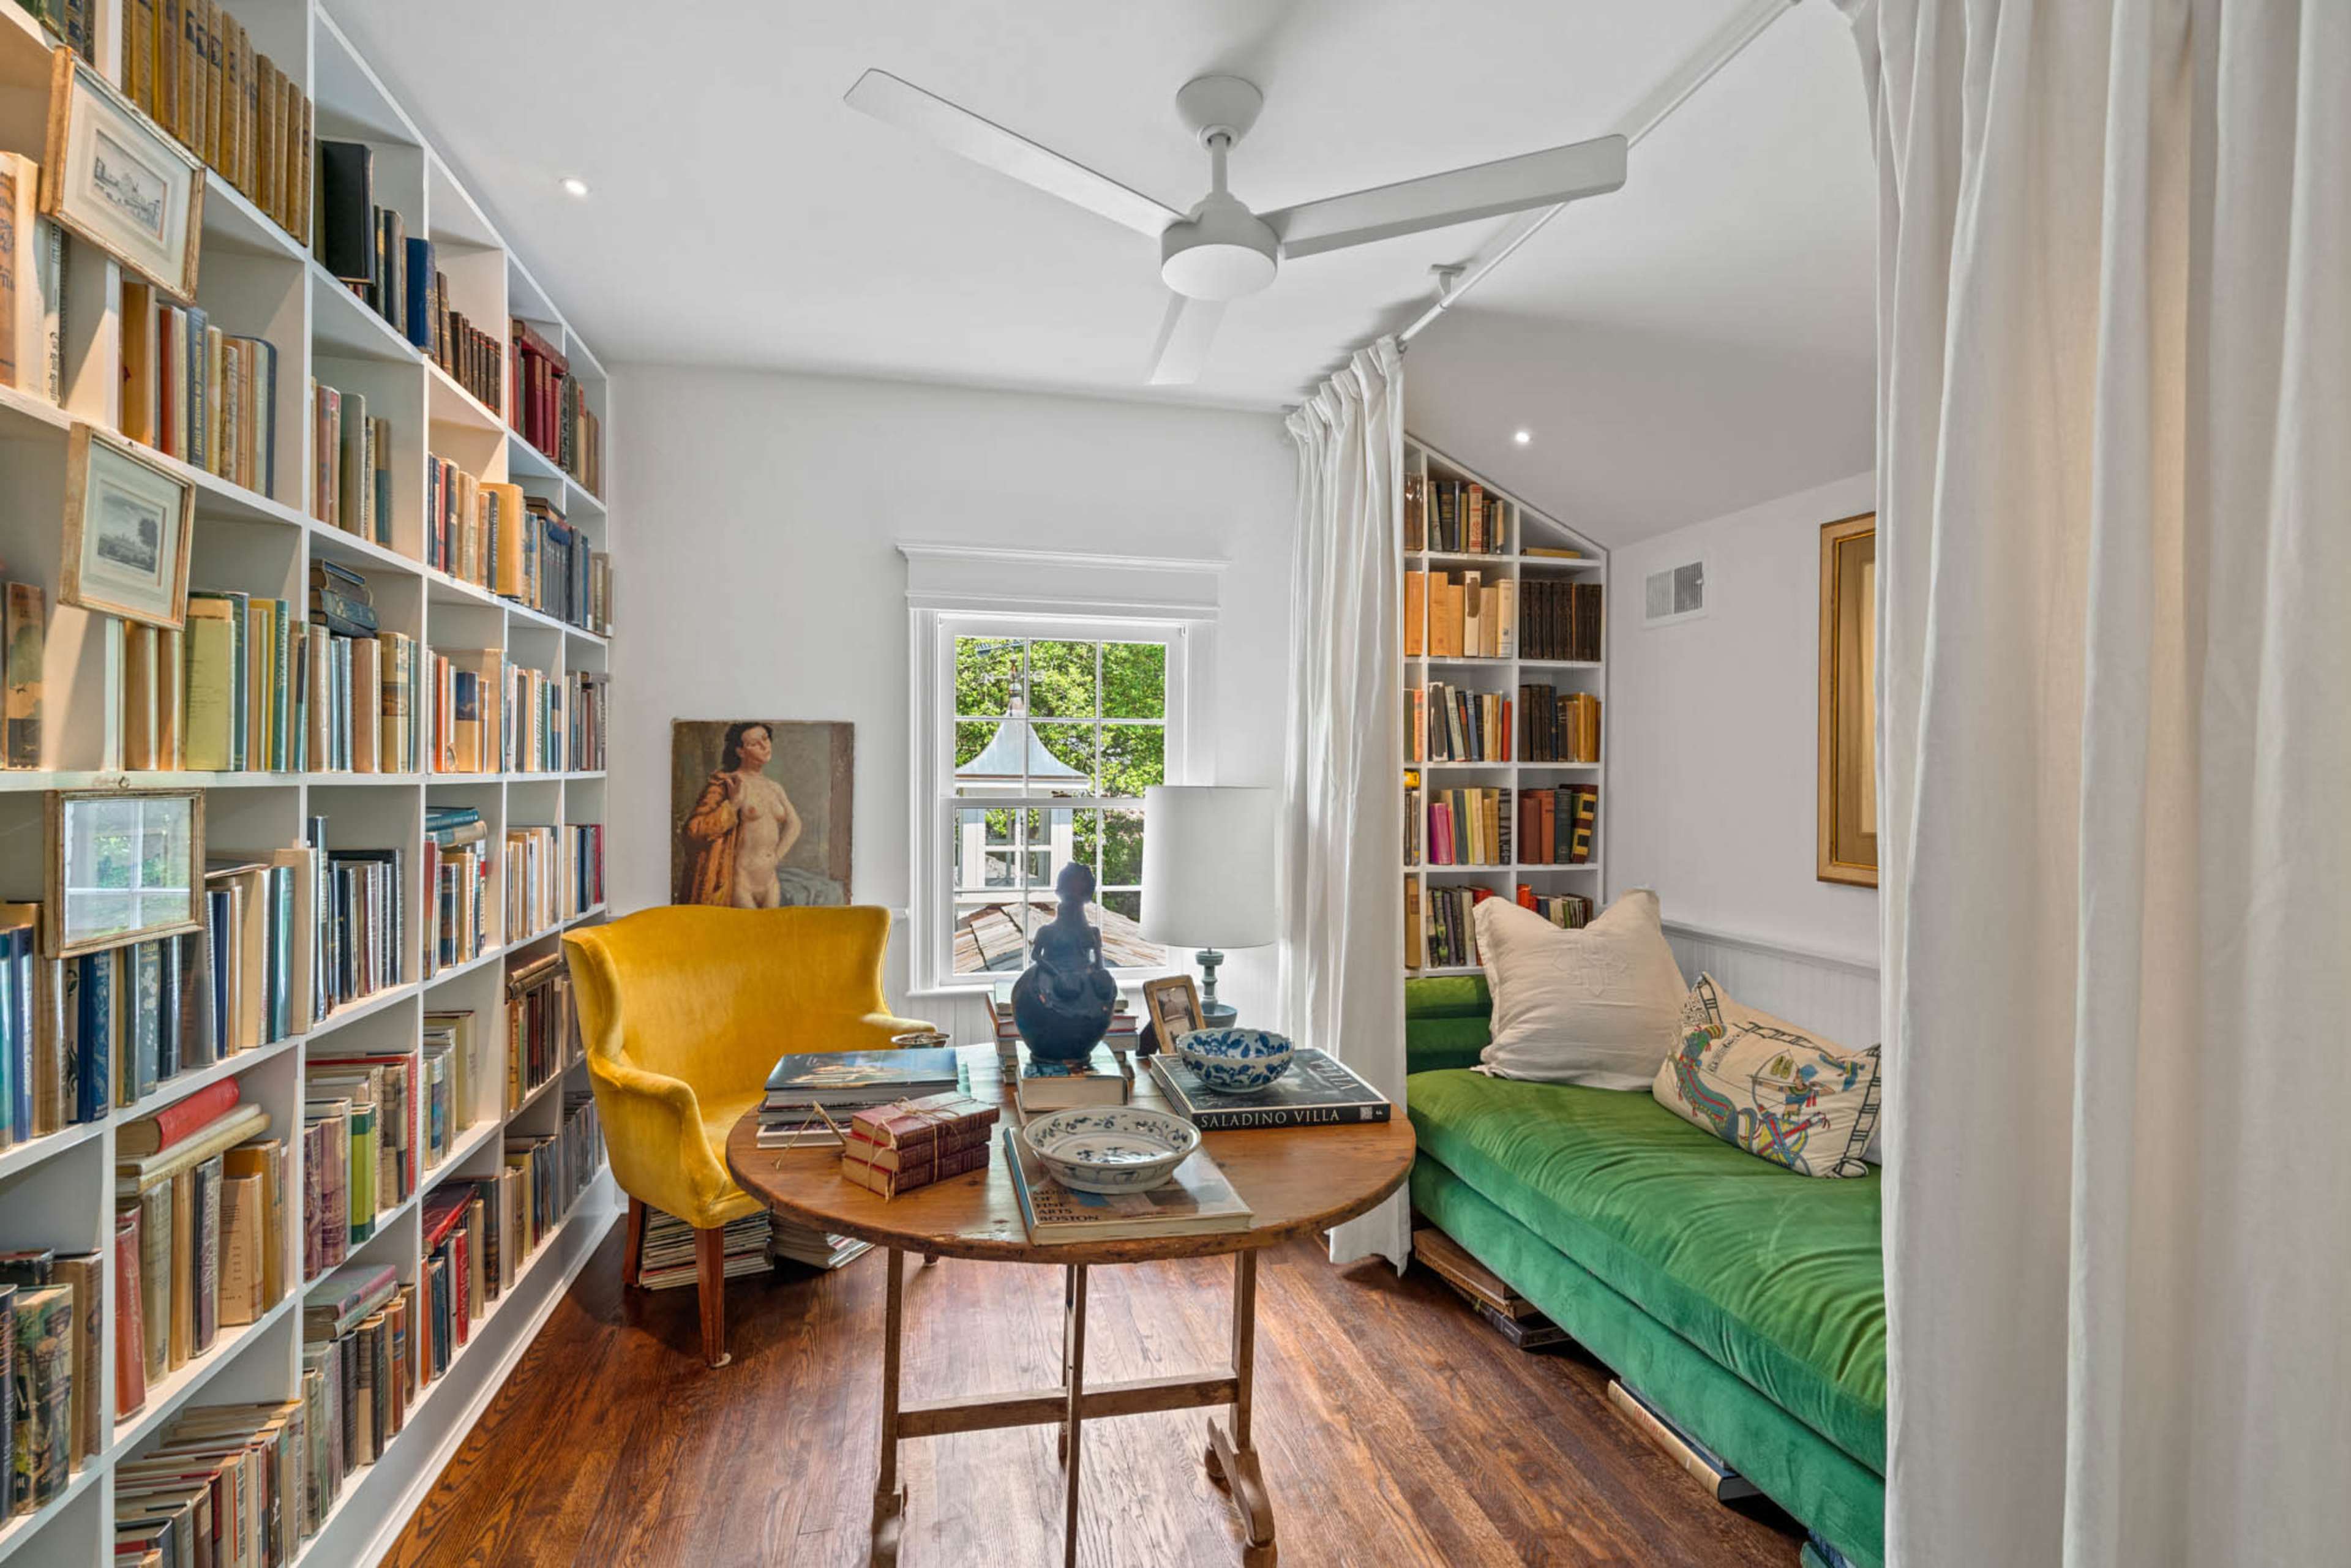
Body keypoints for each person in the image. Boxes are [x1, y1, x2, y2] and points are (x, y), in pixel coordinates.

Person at [675, 722, 808, 907]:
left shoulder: (775, 788)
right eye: (754, 744)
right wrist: (733, 805)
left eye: (765, 739)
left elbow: (795, 824)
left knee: (772, 926)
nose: (764, 746)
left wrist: (776, 857)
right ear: (740, 752)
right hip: (740, 882)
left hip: (770, 882)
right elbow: (694, 830)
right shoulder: (727, 784)